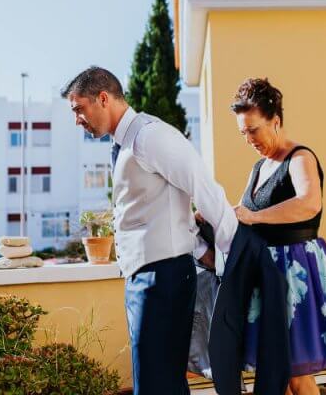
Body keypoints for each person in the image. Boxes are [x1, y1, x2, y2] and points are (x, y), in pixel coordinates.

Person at [61, 66, 237, 395]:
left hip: (163, 279)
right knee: (158, 383)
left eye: (78, 109)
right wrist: (201, 251)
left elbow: (204, 188)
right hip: (146, 279)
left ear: (102, 98)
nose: (77, 120)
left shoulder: (150, 136)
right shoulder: (125, 144)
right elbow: (162, 211)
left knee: (157, 385)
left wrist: (232, 258)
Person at [231, 78, 326, 395]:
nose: (248, 139)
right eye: (243, 133)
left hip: (294, 276)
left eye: (253, 130)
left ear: (275, 121)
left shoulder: (300, 158)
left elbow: (309, 203)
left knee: (295, 375)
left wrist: (255, 217)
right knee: (278, 374)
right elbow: (245, 212)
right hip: (265, 277)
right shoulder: (259, 167)